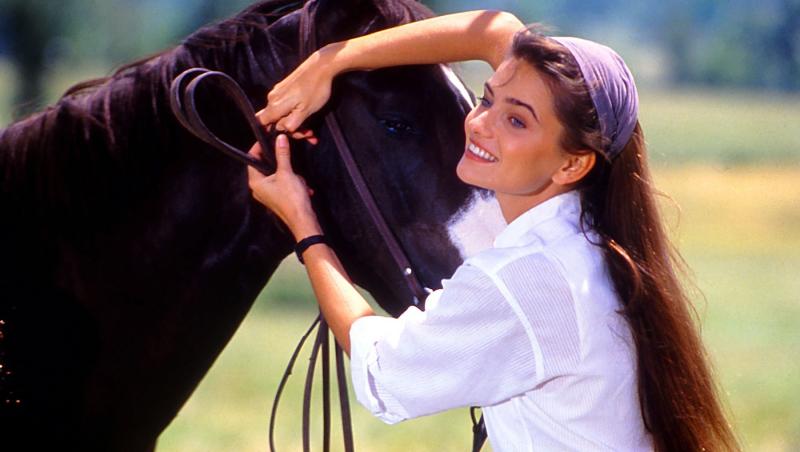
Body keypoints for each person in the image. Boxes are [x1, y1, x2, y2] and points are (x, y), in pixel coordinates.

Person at [248, 10, 738, 451]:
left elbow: (384, 374)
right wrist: (332, 61)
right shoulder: (592, 246)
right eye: (486, 99)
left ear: (573, 164)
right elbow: (497, 32)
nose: (480, 124)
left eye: (516, 121)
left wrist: (304, 227)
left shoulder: (524, 280)